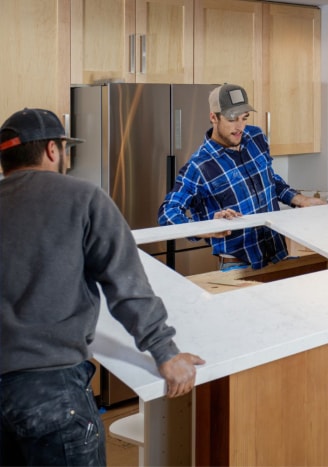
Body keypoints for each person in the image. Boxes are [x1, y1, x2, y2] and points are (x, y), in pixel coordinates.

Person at [0, 108, 205, 466]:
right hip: (52, 390)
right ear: (52, 150)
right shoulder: (83, 198)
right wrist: (165, 352)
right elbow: (125, 285)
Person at [158, 83, 326, 271]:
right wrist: (204, 228)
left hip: (277, 255)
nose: (240, 127)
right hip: (238, 266)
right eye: (232, 119)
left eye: (244, 118)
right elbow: (167, 212)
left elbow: (269, 178)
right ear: (214, 117)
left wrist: (299, 199)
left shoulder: (256, 137)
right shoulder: (199, 166)